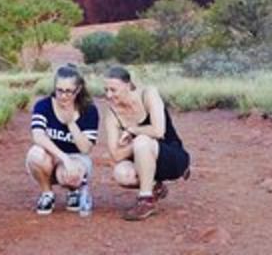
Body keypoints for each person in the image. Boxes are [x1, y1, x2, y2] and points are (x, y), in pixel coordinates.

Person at [104, 66, 190, 221]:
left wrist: (132, 131)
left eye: (113, 90)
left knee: (142, 141)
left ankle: (146, 200)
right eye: (106, 90)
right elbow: (115, 155)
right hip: (144, 162)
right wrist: (132, 147)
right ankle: (156, 186)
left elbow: (158, 131)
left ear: (128, 85)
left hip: (172, 156)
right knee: (121, 173)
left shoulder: (148, 94)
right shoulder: (112, 115)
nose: (109, 95)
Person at [25, 64, 99, 215]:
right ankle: (47, 193)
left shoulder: (89, 110)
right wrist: (64, 158)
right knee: (35, 154)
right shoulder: (44, 106)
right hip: (52, 157)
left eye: (68, 91)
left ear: (78, 90)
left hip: (77, 158)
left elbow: (86, 149)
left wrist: (71, 122)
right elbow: (38, 135)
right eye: (59, 90)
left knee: (73, 175)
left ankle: (74, 192)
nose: (63, 95)